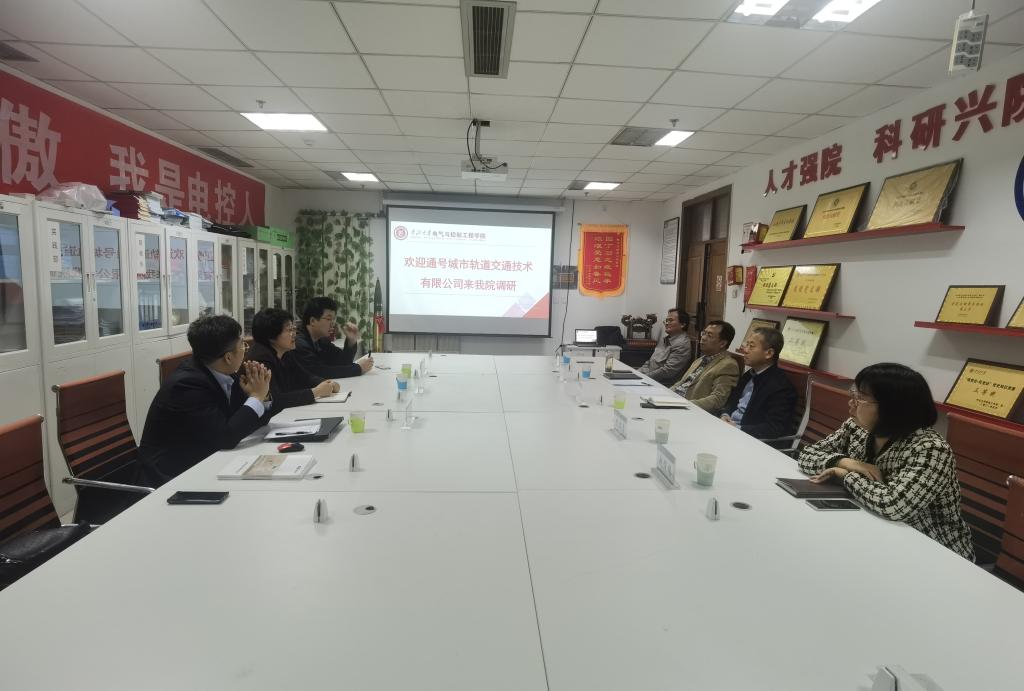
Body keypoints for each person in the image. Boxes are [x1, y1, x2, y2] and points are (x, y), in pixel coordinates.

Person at [798, 363, 974, 561]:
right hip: (873, 530)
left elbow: (893, 505)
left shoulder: (930, 449)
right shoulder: (857, 428)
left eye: (860, 398)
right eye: (853, 394)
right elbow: (806, 455)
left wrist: (845, 475)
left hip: (934, 549)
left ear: (892, 407)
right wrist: (845, 461)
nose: (851, 403)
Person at [137, 315, 276, 487]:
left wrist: (262, 396)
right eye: (242, 345)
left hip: (207, 461)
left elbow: (251, 421)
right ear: (228, 358)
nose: (245, 349)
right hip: (171, 479)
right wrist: (256, 397)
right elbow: (226, 437)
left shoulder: (224, 373)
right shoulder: (187, 386)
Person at [247, 308, 340, 409]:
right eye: (289, 330)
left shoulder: (285, 352)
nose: (294, 334)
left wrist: (326, 383)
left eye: (294, 328)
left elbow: (305, 377)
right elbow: (275, 400)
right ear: (271, 336)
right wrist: (315, 392)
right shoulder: (259, 361)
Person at [720, 327, 797, 444]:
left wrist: (737, 428)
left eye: (751, 346)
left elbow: (773, 428)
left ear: (769, 353)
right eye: (746, 344)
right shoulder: (749, 374)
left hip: (749, 440)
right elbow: (732, 400)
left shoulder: (782, 387)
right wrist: (725, 414)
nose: (745, 350)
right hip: (729, 430)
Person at [669, 320, 740, 415]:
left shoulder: (728, 365)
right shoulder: (700, 359)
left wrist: (685, 404)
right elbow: (681, 383)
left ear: (722, 343)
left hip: (690, 411)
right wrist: (666, 394)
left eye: (709, 335)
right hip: (674, 402)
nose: (703, 337)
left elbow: (718, 400)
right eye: (704, 333)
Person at [294, 297, 373, 379]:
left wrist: (351, 340)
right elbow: (319, 372)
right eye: (329, 319)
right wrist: (358, 368)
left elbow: (343, 361)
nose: (333, 323)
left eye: (334, 319)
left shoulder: (321, 340)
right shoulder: (298, 343)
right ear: (313, 321)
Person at [637, 308, 691, 386]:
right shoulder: (666, 339)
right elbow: (650, 362)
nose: (667, 323)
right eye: (666, 321)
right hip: (647, 379)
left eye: (671, 320)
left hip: (661, 385)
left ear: (682, 324)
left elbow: (668, 371)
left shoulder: (682, 344)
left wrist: (644, 377)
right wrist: (637, 373)